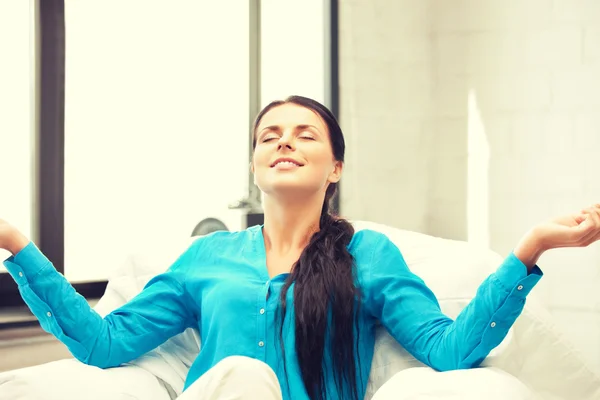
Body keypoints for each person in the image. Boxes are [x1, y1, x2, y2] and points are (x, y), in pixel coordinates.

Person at [1, 95, 599, 400]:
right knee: (238, 375)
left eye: (304, 134)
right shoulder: (204, 259)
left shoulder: (369, 255)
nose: (285, 142)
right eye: (270, 136)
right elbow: (105, 345)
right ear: (255, 165)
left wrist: (531, 247)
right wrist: (14, 243)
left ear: (335, 166)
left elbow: (449, 353)